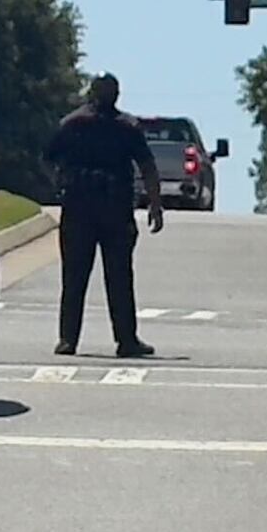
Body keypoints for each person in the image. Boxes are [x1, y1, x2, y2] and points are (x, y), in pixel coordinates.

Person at [44, 74, 162, 358]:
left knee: (75, 276)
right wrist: (154, 204)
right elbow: (146, 166)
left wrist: (60, 184)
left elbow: (47, 159)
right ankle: (126, 340)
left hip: (79, 207)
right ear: (116, 94)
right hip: (114, 208)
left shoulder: (73, 123)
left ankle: (68, 339)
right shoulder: (126, 126)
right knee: (119, 277)